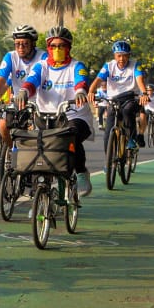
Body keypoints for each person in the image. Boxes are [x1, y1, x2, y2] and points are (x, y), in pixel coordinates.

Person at [17, 25, 95, 198]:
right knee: (38, 149)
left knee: (71, 136)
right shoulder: (41, 66)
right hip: (46, 117)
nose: (57, 49)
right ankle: (39, 197)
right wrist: (24, 91)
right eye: (53, 46)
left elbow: (81, 81)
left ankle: (81, 173)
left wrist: (81, 92)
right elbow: (31, 81)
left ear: (68, 48)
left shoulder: (77, 66)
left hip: (74, 116)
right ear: (48, 48)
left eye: (61, 46)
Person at [0, 24, 45, 150]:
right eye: (17, 44)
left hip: (39, 102)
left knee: (39, 131)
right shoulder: (10, 57)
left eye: (25, 44)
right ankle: (12, 151)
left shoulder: (43, 57)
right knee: (3, 125)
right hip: (19, 102)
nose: (20, 48)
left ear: (33, 44)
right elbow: (1, 80)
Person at [97, 39, 148, 150]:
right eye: (119, 55)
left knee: (127, 111)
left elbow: (139, 80)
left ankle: (132, 138)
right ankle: (109, 162)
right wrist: (90, 92)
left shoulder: (135, 65)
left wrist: (144, 93)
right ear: (114, 55)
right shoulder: (108, 66)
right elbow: (98, 79)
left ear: (129, 56)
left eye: (125, 56)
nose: (122, 58)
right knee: (107, 134)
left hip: (131, 98)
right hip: (114, 100)